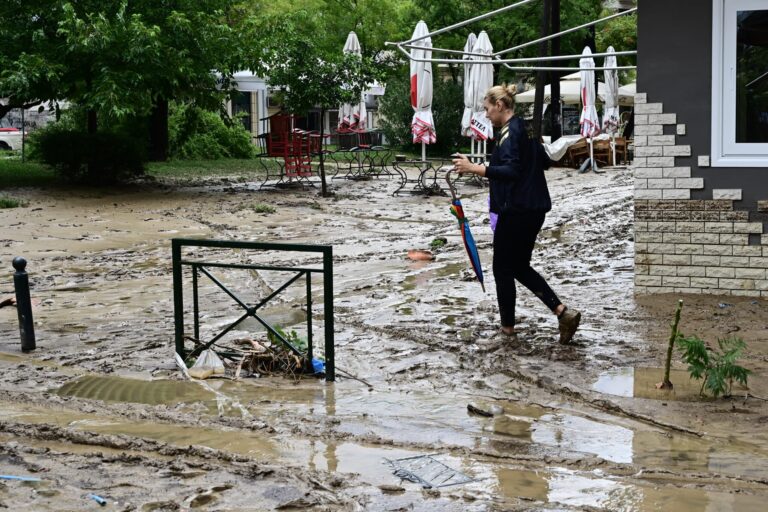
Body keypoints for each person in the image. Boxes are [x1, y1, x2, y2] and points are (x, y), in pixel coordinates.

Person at [452, 84, 581, 344]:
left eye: (487, 109)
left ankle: (508, 329)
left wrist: (475, 168)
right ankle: (562, 312)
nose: (486, 115)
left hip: (517, 210)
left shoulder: (510, 133)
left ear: (499, 106)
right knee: (518, 266)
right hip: (534, 208)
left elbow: (511, 171)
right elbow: (541, 161)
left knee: (502, 268)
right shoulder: (527, 128)